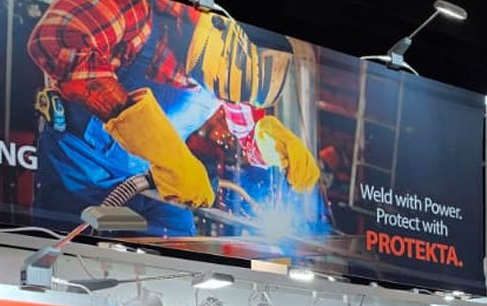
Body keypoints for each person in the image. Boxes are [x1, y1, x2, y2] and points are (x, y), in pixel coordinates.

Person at [27, 0, 320, 235]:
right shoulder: (140, 10)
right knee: (79, 262)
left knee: (179, 260)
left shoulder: (229, 74)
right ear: (217, 27)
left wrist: (270, 144)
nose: (228, 101)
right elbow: (54, 40)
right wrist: (162, 150)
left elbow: (246, 127)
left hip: (161, 184)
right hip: (82, 177)